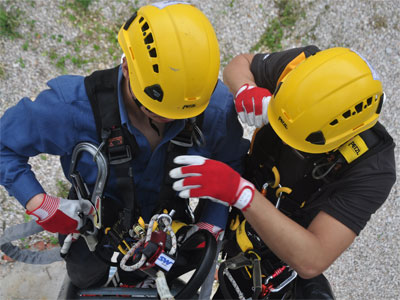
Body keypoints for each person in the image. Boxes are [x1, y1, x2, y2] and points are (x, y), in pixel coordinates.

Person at [0, 2, 249, 290]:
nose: (170, 120)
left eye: (181, 115)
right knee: (84, 279)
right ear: (128, 67)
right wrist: (38, 202)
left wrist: (210, 222)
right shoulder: (73, 108)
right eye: (157, 109)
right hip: (93, 233)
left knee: (174, 282)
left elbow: (231, 161)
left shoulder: (212, 109)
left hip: (171, 232)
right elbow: (5, 146)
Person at [169, 46, 396, 299]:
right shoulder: (305, 71)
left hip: (273, 255)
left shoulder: (372, 169)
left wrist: (242, 195)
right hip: (236, 205)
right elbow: (239, 64)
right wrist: (246, 88)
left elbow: (313, 259)